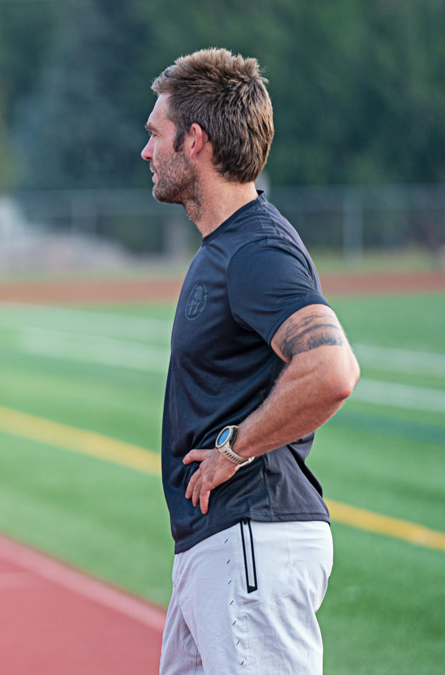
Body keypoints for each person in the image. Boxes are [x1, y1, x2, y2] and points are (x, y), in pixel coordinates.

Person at [142, 48, 360, 674]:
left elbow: (331, 370)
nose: (146, 151)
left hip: (250, 539)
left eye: (156, 134)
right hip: (222, 544)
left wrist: (235, 447)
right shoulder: (228, 247)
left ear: (196, 141)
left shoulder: (256, 250)